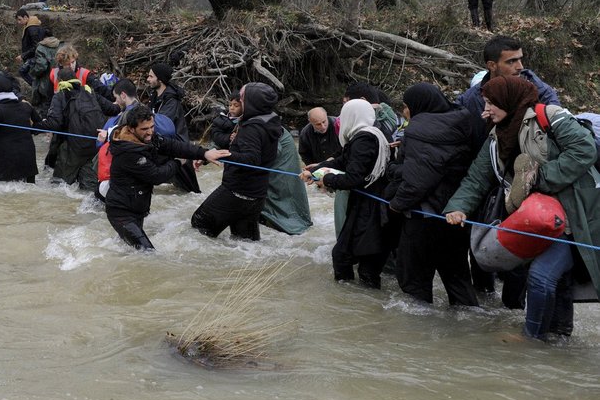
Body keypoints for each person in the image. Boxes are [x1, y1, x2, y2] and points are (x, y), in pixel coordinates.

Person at [444, 76, 600, 341]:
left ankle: (531, 339)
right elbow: (477, 178)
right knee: (557, 279)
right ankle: (558, 337)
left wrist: (537, 178)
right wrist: (458, 207)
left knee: (541, 276)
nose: (486, 109)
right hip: (536, 216)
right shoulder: (495, 137)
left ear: (509, 100)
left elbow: (584, 151)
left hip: (576, 216)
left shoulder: (549, 116)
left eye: (491, 103)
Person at [386, 84, 478, 306]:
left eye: (407, 107)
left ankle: (419, 334)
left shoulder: (419, 129)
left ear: (418, 106)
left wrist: (396, 204)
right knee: (457, 277)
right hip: (455, 213)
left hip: (424, 217)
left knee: (413, 281)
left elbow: (418, 180)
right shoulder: (462, 119)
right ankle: (469, 328)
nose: (405, 112)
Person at [106, 105, 228, 251]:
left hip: (137, 206)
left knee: (131, 251)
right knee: (148, 253)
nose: (150, 132)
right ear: (131, 129)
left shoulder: (146, 138)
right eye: (145, 129)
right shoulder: (128, 152)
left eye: (152, 127)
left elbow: (173, 146)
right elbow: (157, 176)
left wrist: (204, 153)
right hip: (121, 212)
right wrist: (178, 162)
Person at [303, 98, 395, 288]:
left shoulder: (364, 140)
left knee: (349, 259)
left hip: (371, 208)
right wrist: (315, 171)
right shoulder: (371, 133)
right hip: (371, 205)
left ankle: (354, 306)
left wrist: (326, 180)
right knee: (353, 260)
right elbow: (341, 161)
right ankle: (357, 305)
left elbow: (353, 178)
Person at [191, 82, 282, 241]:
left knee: (199, 225)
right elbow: (244, 149)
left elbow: (251, 159)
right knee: (244, 243)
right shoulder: (270, 121)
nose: (239, 101)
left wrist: (220, 155)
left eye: (242, 98)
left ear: (252, 102)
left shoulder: (252, 128)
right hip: (256, 195)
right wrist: (209, 156)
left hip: (237, 192)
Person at [457, 35, 560, 152]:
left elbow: (557, 134)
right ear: (492, 65)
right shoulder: (470, 100)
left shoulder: (541, 92)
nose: (520, 67)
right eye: (511, 61)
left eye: (520, 59)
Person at [39, 66, 117, 188]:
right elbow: (113, 109)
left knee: (59, 187)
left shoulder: (60, 95)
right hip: (95, 146)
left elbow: (55, 123)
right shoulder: (90, 92)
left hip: (71, 149)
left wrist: (36, 125)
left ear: (59, 81)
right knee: (88, 189)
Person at [147, 62, 199, 192]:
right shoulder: (155, 97)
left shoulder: (171, 101)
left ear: (160, 79)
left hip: (178, 150)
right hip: (164, 148)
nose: (148, 79)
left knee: (190, 193)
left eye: (151, 76)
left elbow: (162, 126)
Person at [16, 8, 47, 84]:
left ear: (26, 17)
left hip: (34, 57)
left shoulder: (31, 29)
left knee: (23, 71)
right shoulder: (33, 26)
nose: (18, 22)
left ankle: (35, 87)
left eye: (20, 19)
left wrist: (23, 56)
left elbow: (36, 46)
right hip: (35, 56)